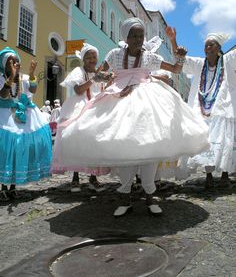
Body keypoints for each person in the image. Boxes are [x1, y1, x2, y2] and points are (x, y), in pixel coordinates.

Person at [59, 17, 209, 217]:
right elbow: (101, 74)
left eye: (141, 35)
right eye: (134, 36)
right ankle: (125, 198)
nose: (139, 39)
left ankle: (149, 198)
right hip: (119, 101)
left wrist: (180, 57)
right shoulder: (114, 54)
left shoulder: (149, 58)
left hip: (146, 102)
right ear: (126, 37)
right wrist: (106, 78)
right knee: (125, 148)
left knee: (148, 146)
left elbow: (175, 70)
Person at [166, 27, 236, 188]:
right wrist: (172, 39)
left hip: (222, 109)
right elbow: (180, 58)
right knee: (205, 141)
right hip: (201, 110)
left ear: (219, 48)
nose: (208, 48)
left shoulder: (228, 61)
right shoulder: (199, 64)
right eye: (206, 45)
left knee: (223, 141)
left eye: (211, 45)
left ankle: (225, 174)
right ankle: (209, 175)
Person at [52, 43, 112, 193]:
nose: (92, 60)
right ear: (83, 59)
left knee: (95, 142)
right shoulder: (79, 71)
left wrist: (109, 79)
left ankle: (93, 177)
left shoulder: (101, 72)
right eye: (88, 57)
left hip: (97, 109)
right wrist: (94, 79)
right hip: (81, 106)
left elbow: (106, 89)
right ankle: (75, 177)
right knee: (76, 137)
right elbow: (78, 90)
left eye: (94, 57)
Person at [0, 47, 52, 201]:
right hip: (5, 117)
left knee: (19, 149)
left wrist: (31, 75)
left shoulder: (22, 78)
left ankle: (13, 186)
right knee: (5, 150)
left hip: (23, 118)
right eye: (11, 61)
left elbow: (33, 90)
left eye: (17, 61)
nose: (16, 63)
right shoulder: (1, 78)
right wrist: (11, 77)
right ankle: (3, 186)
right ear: (4, 64)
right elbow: (3, 94)